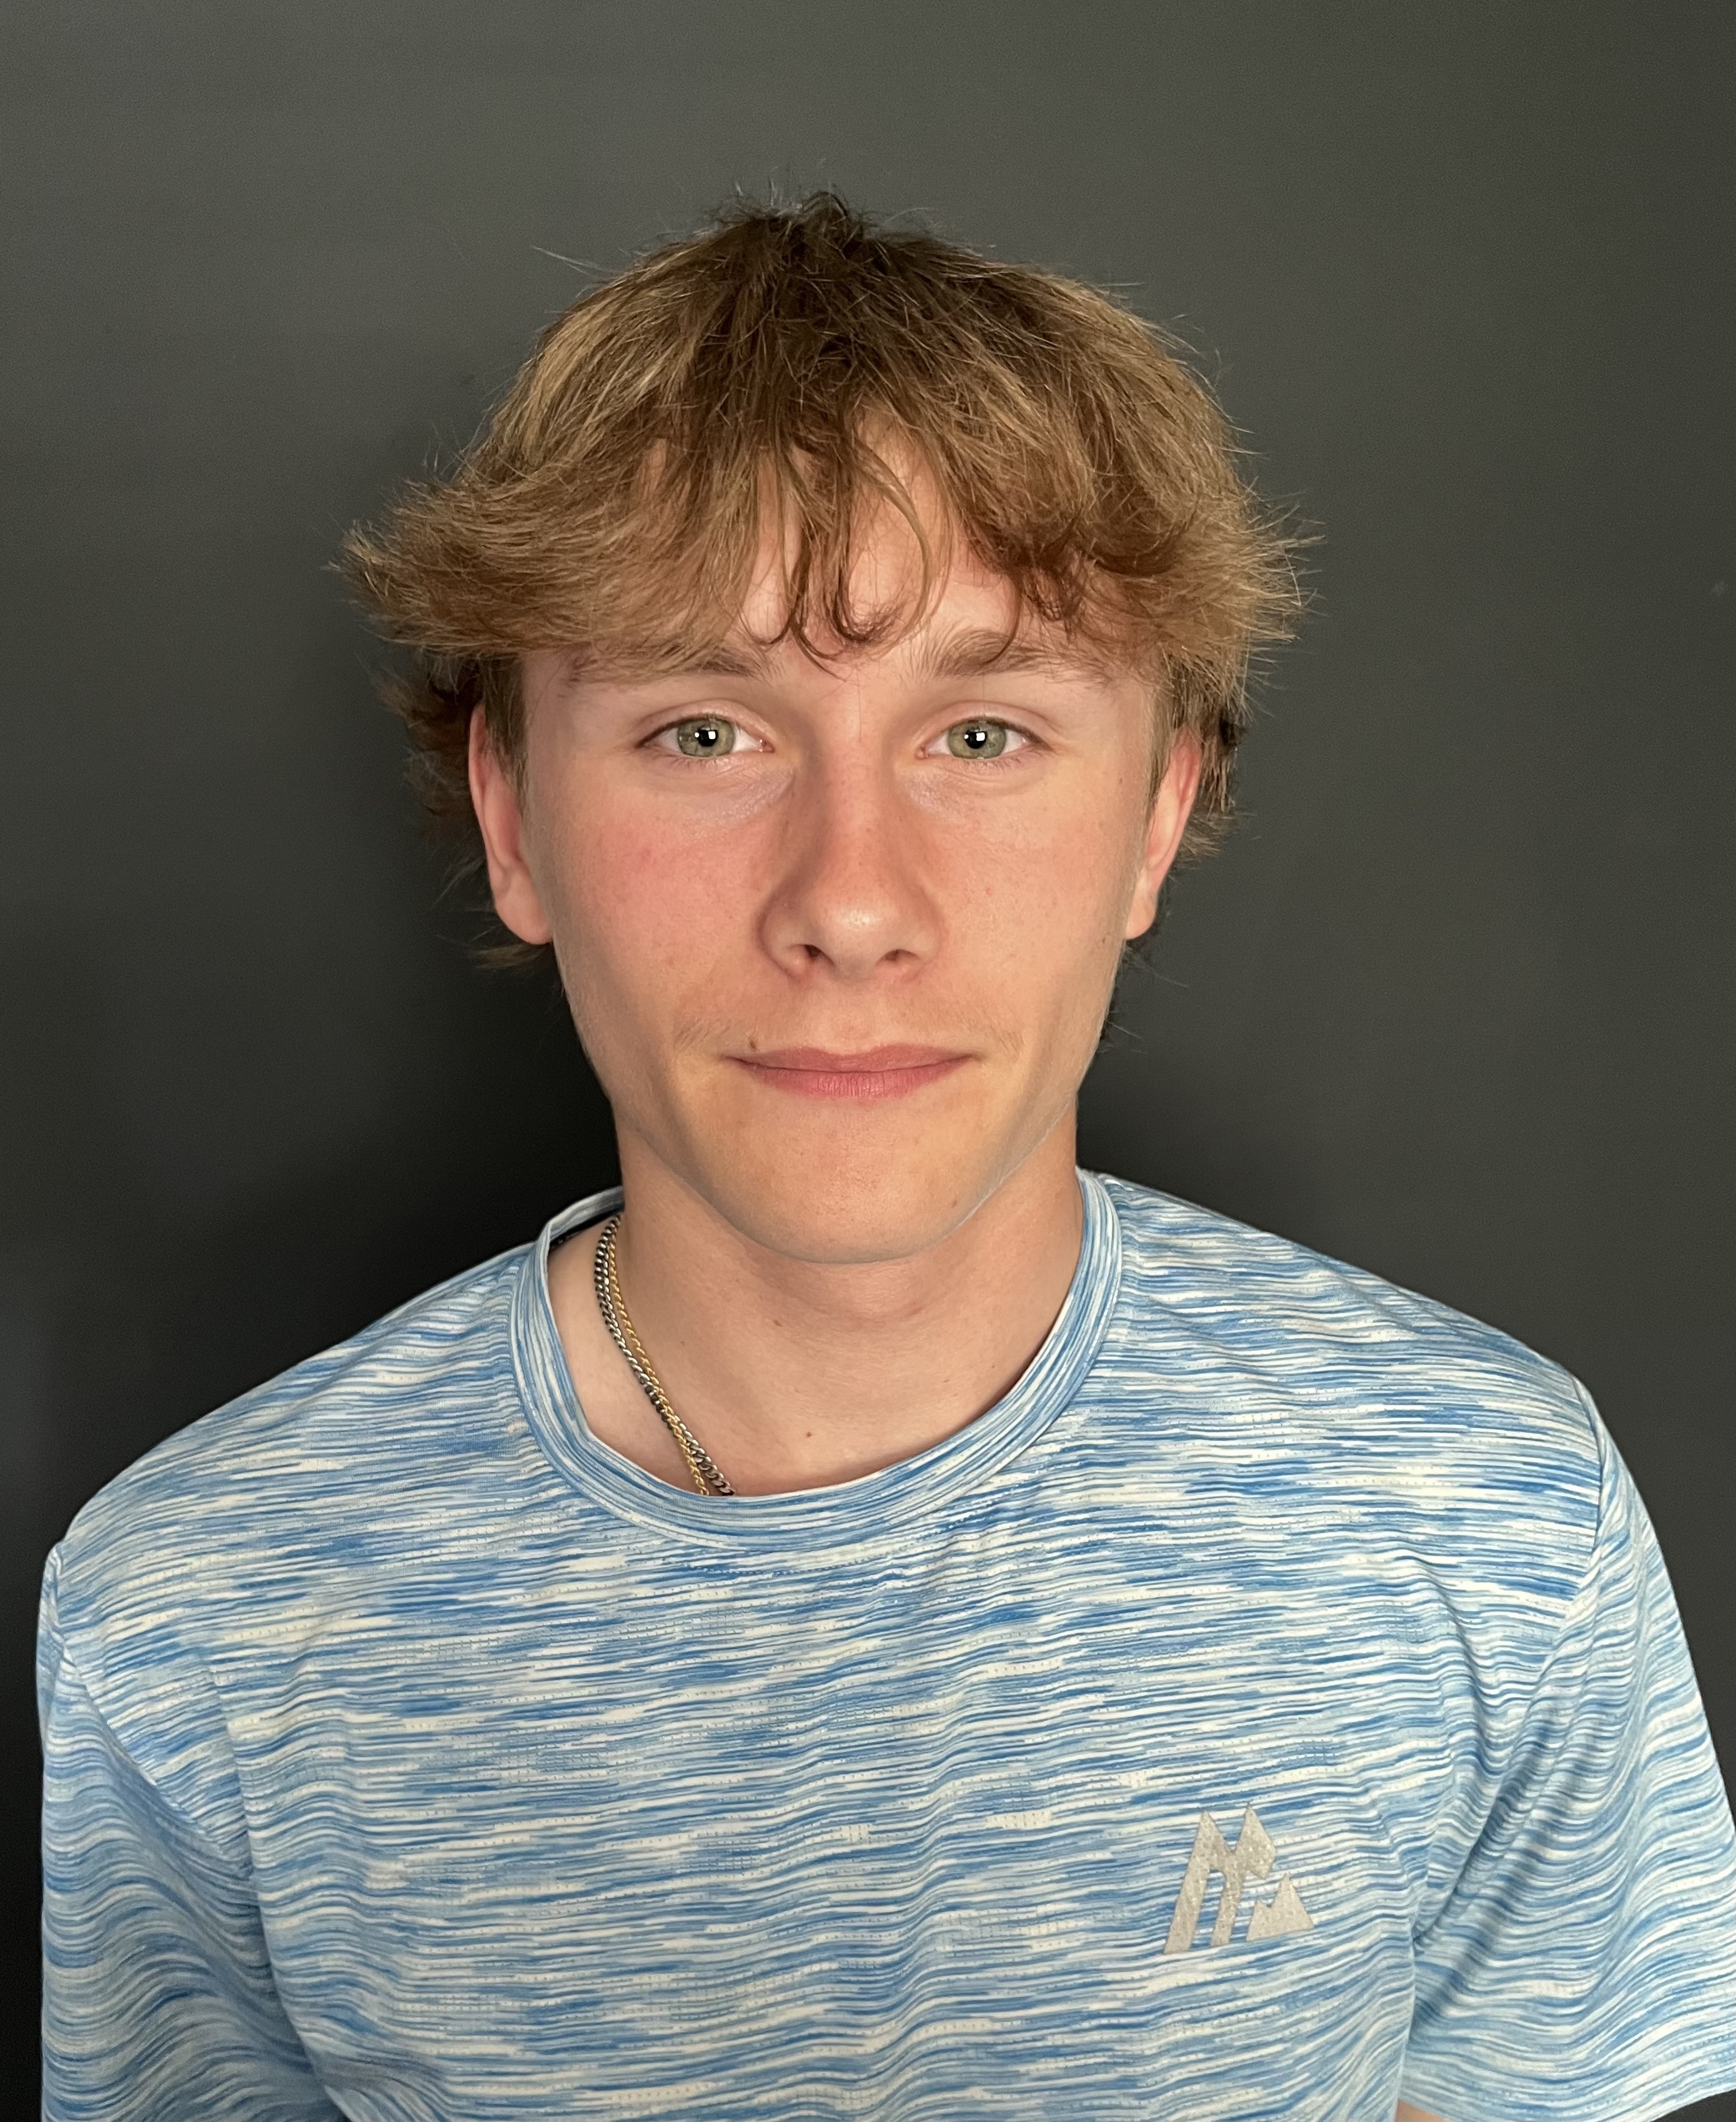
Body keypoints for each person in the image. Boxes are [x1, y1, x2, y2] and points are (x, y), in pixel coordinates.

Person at [37, 195, 1734, 2122]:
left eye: (983, 734)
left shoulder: (1490, 1515)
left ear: (1156, 816)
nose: (849, 901)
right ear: (511, 823)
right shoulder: (194, 1620)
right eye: (703, 731)